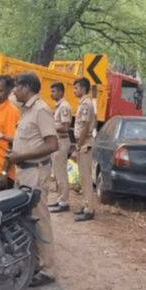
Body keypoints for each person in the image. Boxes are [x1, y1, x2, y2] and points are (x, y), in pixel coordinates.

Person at [7, 72, 59, 287]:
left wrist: (21, 156)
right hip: (24, 172)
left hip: (35, 172)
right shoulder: (26, 110)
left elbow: (52, 144)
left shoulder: (41, 110)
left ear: (27, 87)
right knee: (29, 221)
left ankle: (48, 270)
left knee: (41, 220)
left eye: (17, 87)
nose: (14, 91)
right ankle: (34, 263)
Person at [72, 77, 97, 222]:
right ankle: (86, 205)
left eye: (76, 88)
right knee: (83, 177)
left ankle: (89, 209)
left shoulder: (86, 104)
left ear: (82, 88)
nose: (75, 91)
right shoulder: (83, 104)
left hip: (85, 143)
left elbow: (85, 127)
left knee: (86, 178)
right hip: (83, 142)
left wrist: (78, 146)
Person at [48, 83, 72, 213]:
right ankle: (59, 199)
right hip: (57, 142)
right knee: (57, 173)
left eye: (54, 91)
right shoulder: (58, 106)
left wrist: (51, 126)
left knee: (61, 173)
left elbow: (65, 127)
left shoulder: (64, 107)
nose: (51, 94)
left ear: (61, 92)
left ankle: (64, 201)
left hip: (62, 141)